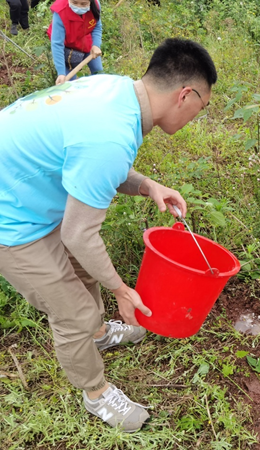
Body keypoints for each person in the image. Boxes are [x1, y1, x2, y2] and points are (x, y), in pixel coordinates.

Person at [0, 38, 217, 432]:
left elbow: (86, 160)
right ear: (184, 95)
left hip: (22, 189)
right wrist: (121, 289)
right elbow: (79, 234)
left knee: (84, 272)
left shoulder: (115, 90)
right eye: (200, 109)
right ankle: (95, 392)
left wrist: (147, 185)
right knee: (72, 311)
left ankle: (98, 334)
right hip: (9, 219)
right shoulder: (110, 137)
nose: (195, 118)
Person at [47, 0, 103, 85]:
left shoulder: (95, 5)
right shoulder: (60, 11)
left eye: (83, 4)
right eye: (74, 3)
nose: (78, 7)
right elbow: (57, 44)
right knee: (68, 83)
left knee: (98, 72)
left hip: (86, 41)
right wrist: (61, 73)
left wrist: (96, 45)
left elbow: (97, 26)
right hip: (67, 45)